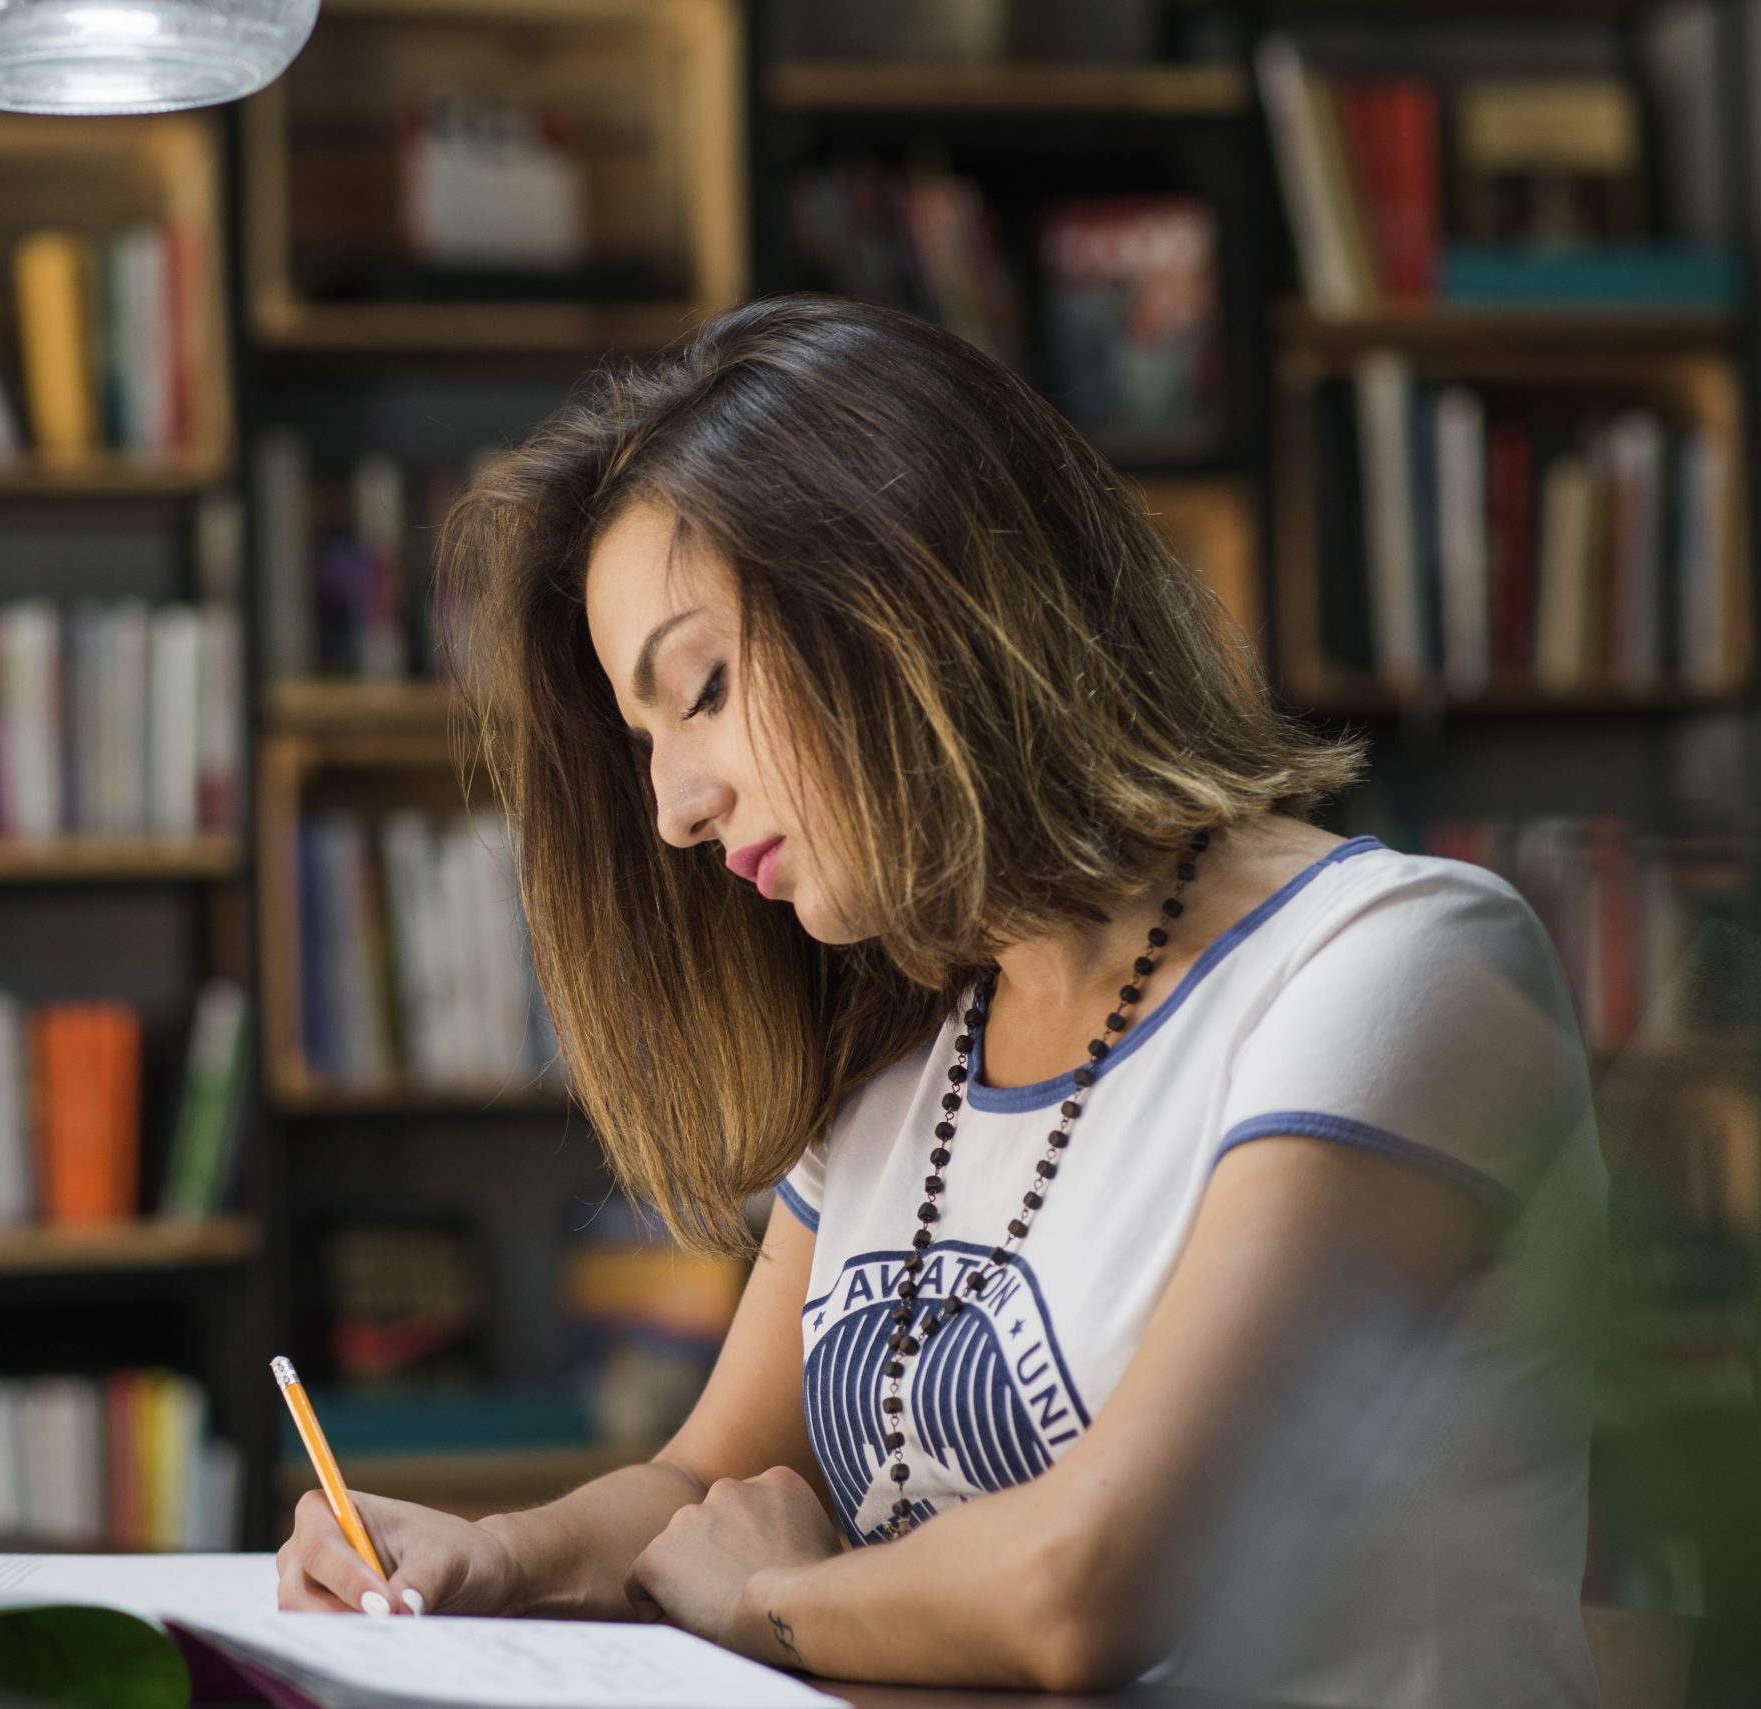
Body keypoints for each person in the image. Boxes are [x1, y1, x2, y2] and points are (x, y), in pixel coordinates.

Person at [274, 296, 1605, 1708]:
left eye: (704, 686)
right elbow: (704, 1481)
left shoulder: (1397, 964)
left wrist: (767, 1599)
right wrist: (492, 1552)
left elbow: (1086, 1585)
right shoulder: (913, 1056)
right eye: (646, 739)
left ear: (916, 591)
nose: (672, 806)